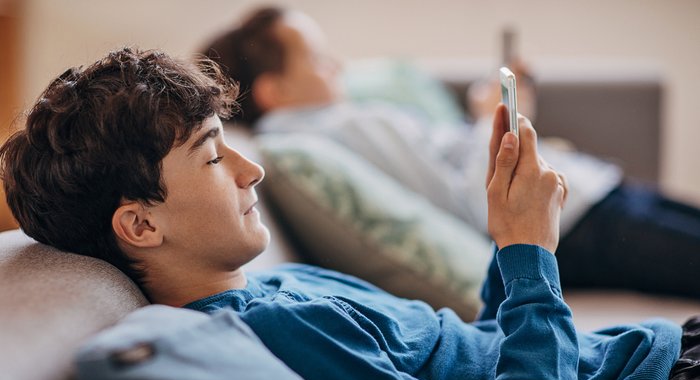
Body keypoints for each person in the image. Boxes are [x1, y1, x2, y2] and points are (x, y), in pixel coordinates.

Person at [0, 46, 698, 380]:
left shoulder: (282, 287)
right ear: (140, 225)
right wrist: (528, 253)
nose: (252, 171)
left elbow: (478, 351)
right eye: (213, 156)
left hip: (657, 361)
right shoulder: (274, 334)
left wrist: (506, 233)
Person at [200, 6, 700, 300]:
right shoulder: (330, 131)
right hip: (580, 221)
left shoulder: (335, 123)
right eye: (316, 59)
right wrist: (496, 117)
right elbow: (477, 198)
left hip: (589, 199)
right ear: (273, 92)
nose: (336, 66)